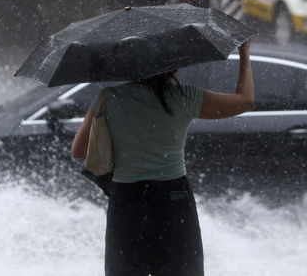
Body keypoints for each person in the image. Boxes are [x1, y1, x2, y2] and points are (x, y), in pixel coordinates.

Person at [71, 39, 254, 276]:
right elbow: (246, 100)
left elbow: (78, 150)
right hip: (173, 199)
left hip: (127, 200)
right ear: (172, 64)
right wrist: (244, 54)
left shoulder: (109, 98)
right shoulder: (184, 97)